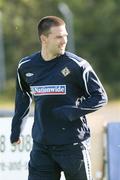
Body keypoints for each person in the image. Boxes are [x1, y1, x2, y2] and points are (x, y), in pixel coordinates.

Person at [10, 16, 108, 180]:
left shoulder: (77, 65)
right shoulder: (26, 66)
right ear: (44, 39)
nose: (64, 41)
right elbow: (23, 97)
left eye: (66, 36)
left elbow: (100, 96)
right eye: (59, 37)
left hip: (73, 146)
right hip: (42, 147)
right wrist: (16, 129)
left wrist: (72, 111)